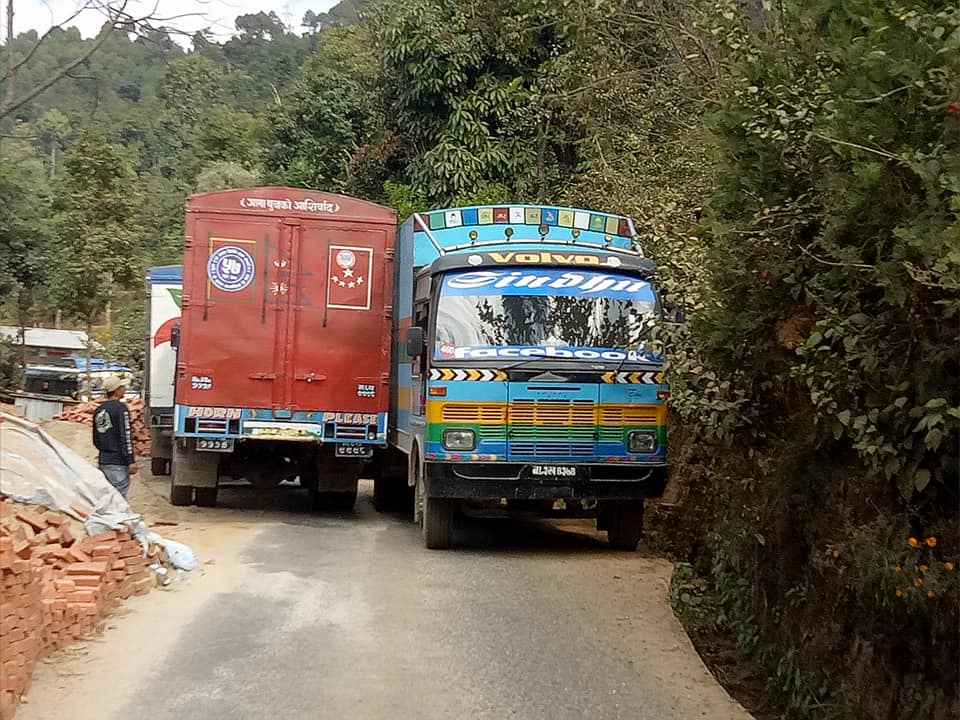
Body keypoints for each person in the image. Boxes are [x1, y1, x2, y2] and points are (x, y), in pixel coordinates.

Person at [92, 375, 138, 497]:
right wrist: (130, 460)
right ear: (117, 390)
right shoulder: (121, 409)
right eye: (122, 387)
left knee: (107, 497)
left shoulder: (99, 410)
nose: (124, 389)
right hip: (118, 462)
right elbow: (125, 436)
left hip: (104, 460)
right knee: (118, 499)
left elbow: (96, 439)